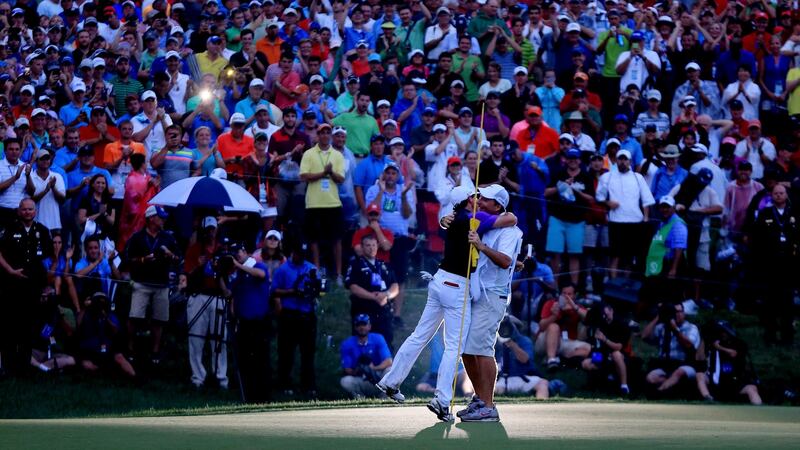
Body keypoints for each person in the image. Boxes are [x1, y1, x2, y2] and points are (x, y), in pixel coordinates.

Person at [377, 185, 515, 422]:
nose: (479, 199)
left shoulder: (456, 218)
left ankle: (390, 382)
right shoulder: (473, 218)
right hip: (456, 287)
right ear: (466, 201)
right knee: (454, 346)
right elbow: (511, 218)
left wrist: (445, 218)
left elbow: (450, 220)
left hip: (440, 280)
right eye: (475, 196)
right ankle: (442, 401)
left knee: (419, 336)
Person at [459, 185, 523, 422]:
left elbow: (505, 261)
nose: (479, 201)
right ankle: (479, 398)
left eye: (484, 199)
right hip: (478, 294)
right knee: (466, 349)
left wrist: (481, 246)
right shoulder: (487, 223)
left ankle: (488, 406)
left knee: (483, 350)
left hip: (492, 296)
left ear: (498, 206)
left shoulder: (509, 231)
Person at [0, 199, 52, 374]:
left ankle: (25, 367)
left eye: (31, 209)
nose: (27, 212)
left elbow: (47, 260)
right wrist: (10, 271)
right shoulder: (9, 229)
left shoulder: (43, 231)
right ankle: (7, 366)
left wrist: (46, 286)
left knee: (29, 327)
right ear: (18, 211)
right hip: (12, 285)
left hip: (33, 287)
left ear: (35, 211)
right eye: (24, 209)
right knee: (10, 326)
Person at [123, 205, 180, 366]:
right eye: (160, 217)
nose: (163, 220)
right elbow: (126, 260)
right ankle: (131, 349)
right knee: (134, 317)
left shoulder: (168, 238)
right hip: (141, 283)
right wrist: (142, 260)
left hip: (161, 284)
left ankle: (155, 352)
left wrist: (171, 255)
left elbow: (178, 260)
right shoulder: (137, 237)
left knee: (159, 319)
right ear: (151, 218)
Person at [222, 242, 272, 403]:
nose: (237, 255)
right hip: (243, 322)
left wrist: (237, 265)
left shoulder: (257, 265)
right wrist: (219, 277)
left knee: (261, 360)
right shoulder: (238, 275)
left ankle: (263, 396)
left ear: (245, 252)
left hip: (259, 322)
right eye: (234, 253)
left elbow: (261, 275)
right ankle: (248, 396)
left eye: (239, 252)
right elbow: (228, 293)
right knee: (245, 360)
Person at [299, 123, 345, 283]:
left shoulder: (337, 155)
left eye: (327, 132)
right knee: (314, 239)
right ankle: (317, 270)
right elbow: (303, 176)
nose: (325, 135)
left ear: (331, 135)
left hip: (333, 203)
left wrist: (330, 172)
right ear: (317, 135)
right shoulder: (309, 154)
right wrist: (323, 173)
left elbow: (341, 179)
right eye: (322, 132)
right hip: (314, 203)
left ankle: (338, 274)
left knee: (336, 239)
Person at [184, 223, 229, 390]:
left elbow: (230, 272)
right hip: (198, 295)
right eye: (208, 229)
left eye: (213, 229)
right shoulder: (195, 249)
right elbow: (187, 272)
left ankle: (220, 377)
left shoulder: (222, 249)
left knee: (219, 339)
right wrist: (198, 264)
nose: (211, 232)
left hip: (217, 296)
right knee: (196, 338)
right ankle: (198, 377)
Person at [271, 241, 319, 396]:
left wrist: (315, 289)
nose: (301, 258)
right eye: (299, 254)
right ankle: (284, 384)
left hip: (307, 313)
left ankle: (308, 386)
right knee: (286, 352)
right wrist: (292, 291)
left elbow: (319, 288)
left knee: (308, 352)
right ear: (293, 253)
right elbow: (274, 291)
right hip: (289, 314)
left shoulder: (310, 267)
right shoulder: (283, 269)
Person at [696, 320, 762, 405]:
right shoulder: (711, 343)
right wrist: (703, 339)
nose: (722, 334)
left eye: (724, 331)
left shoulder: (738, 343)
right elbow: (699, 358)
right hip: (716, 381)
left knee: (752, 388)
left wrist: (719, 347)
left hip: (734, 381)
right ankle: (708, 398)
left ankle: (759, 407)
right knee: (699, 375)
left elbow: (733, 353)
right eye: (720, 332)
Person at [642, 302, 701, 394]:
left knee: (679, 372)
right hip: (666, 366)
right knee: (651, 378)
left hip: (685, 365)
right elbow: (644, 337)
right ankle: (670, 387)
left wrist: (675, 329)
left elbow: (688, 345)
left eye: (679, 312)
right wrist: (659, 317)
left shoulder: (691, 327)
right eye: (674, 312)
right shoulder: (662, 327)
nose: (677, 314)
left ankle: (659, 392)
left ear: (684, 313)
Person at [535, 282, 591, 370]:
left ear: (574, 296)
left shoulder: (577, 307)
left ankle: (561, 360)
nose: (566, 297)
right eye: (564, 293)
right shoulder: (551, 303)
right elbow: (541, 327)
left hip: (565, 342)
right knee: (554, 326)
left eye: (569, 294)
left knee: (588, 349)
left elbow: (589, 318)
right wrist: (554, 316)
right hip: (545, 341)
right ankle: (551, 360)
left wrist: (574, 308)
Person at [581, 302, 632, 395]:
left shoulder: (622, 325)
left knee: (616, 354)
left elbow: (619, 347)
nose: (604, 316)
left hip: (621, 357)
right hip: (604, 356)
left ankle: (624, 386)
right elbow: (586, 340)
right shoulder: (600, 324)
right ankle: (599, 383)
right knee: (586, 363)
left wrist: (605, 340)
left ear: (611, 310)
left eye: (606, 313)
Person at [493, 316, 550, 399]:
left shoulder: (524, 341)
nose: (506, 329)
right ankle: (483, 409)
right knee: (485, 389)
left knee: (543, 383)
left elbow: (525, 359)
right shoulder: (497, 343)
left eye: (508, 326)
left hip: (524, 378)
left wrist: (513, 345)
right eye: (503, 326)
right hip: (504, 379)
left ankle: (542, 406)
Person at [339, 314, 393, 399]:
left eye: (364, 324)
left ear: (369, 326)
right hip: (361, 378)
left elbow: (389, 361)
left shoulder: (378, 338)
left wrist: (373, 368)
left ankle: (384, 398)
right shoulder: (347, 344)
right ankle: (361, 400)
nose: (362, 327)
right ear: (355, 327)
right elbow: (347, 369)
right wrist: (359, 369)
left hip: (378, 376)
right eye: (359, 325)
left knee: (390, 371)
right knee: (345, 381)